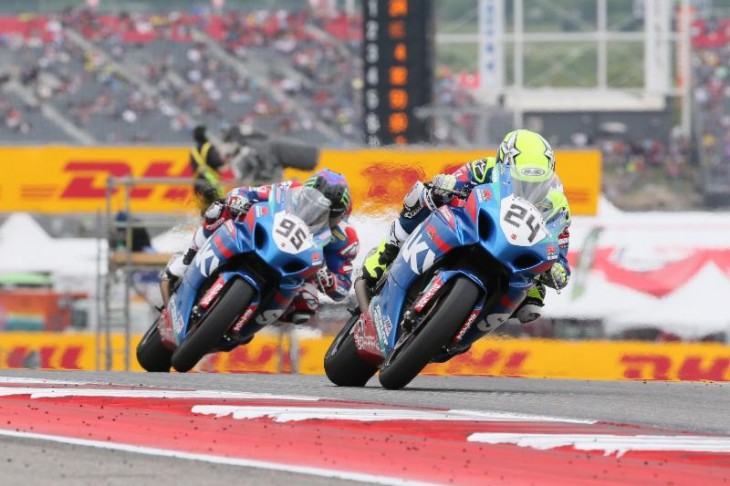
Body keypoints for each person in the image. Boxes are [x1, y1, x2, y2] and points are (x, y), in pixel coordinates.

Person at [362, 129, 571, 325]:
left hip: (513, 251)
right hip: (473, 227)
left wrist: (558, 270)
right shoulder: (486, 168)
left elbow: (560, 251)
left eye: (537, 183)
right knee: (422, 196)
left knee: (534, 296)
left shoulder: (558, 206)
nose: (529, 188)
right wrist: (446, 186)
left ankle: (474, 322)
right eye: (521, 180)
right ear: (504, 163)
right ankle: (385, 253)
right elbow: (456, 180)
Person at [162, 168, 359, 325]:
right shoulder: (289, 189)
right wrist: (239, 200)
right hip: (261, 237)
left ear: (341, 215)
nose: (318, 215)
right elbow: (249, 193)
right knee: (218, 210)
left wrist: (328, 279)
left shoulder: (344, 238)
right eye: (310, 203)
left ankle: (257, 318)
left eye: (329, 215)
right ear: (303, 194)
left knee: (307, 304)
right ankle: (187, 260)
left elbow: (342, 288)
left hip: (295, 273)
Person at [190, 124, 226, 211]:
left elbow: (194, 167)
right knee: (216, 209)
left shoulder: (193, 150)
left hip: (198, 184)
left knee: (203, 209)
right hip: (211, 183)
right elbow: (216, 162)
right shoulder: (209, 147)